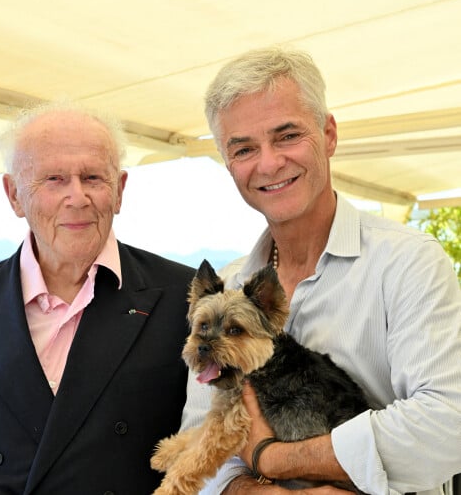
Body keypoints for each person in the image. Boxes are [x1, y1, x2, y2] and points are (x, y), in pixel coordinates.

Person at [183, 46, 461, 494]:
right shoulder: (229, 286)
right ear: (228, 163)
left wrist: (274, 457)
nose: (269, 162)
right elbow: (200, 441)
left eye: (288, 135)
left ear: (328, 134)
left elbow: (449, 424)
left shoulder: (409, 262)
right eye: (244, 148)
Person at [0, 102, 195, 494]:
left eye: (93, 177)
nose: (77, 197)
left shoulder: (186, 300)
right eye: (54, 179)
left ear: (119, 190)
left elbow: (211, 453)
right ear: (14, 194)